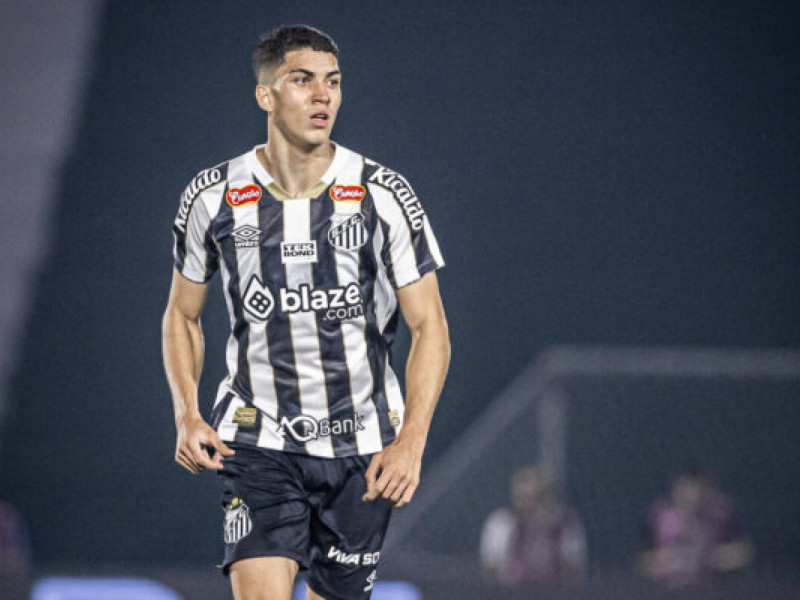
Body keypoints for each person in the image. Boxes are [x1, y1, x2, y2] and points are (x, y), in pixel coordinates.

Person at [161, 25, 450, 600]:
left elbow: (431, 328)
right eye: (303, 80)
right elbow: (181, 315)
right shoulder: (213, 196)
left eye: (333, 82)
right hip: (258, 437)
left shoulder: (382, 194)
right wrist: (187, 414)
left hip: (363, 449)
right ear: (265, 95)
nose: (323, 96)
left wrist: (412, 441)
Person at [639, 468, 753, 587]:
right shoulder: (661, 517)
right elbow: (642, 562)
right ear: (675, 491)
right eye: (686, 491)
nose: (694, 497)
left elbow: (743, 554)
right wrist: (673, 561)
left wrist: (710, 558)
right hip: (670, 589)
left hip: (716, 588)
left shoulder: (722, 515)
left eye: (699, 490)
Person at [480, 466, 586, 585]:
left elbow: (574, 569)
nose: (529, 502)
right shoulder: (501, 523)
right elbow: (491, 569)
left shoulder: (566, 524)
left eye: (535, 496)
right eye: (523, 496)